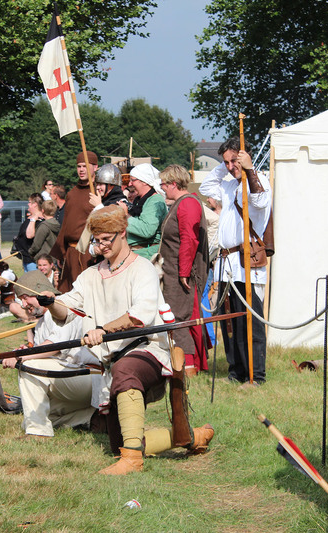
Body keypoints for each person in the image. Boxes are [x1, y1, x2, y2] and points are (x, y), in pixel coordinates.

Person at [44, 206, 214, 474]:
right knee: (119, 444)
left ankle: (133, 461)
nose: (101, 246)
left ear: (122, 233)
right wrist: (50, 302)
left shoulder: (143, 269)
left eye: (106, 239)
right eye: (97, 240)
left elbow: (139, 316)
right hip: (114, 363)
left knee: (125, 369)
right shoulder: (90, 275)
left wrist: (103, 329)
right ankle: (192, 437)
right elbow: (66, 309)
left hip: (148, 351)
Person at [199, 138, 272, 386]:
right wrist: (225, 166)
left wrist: (248, 168)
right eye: (227, 162)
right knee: (230, 321)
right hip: (227, 262)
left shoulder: (258, 181)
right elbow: (206, 186)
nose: (231, 167)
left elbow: (260, 201)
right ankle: (236, 371)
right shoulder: (229, 184)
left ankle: (256, 374)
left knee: (250, 320)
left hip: (246, 260)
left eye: (234, 161)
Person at [1, 270, 100, 438]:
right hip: (69, 377)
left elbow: (55, 347)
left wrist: (20, 357)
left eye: (25, 297)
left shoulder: (64, 308)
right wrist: (26, 351)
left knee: (29, 367)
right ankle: (91, 418)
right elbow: (46, 354)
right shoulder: (41, 323)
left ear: (39, 292)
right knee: (34, 416)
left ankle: (39, 433)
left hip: (90, 377)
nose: (23, 304)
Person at [159, 164, 209, 376]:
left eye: (164, 184)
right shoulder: (181, 203)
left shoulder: (188, 203)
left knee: (179, 317)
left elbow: (189, 239)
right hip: (174, 270)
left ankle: (188, 368)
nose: (162, 188)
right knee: (175, 316)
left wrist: (184, 272)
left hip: (181, 273)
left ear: (173, 184)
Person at [50, 152, 98, 292]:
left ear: (95, 167)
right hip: (71, 252)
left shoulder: (98, 192)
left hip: (89, 252)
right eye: (79, 166)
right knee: (68, 294)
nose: (81, 170)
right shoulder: (71, 194)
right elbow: (66, 224)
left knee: (87, 293)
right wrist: (61, 251)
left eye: (85, 166)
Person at [123, 163, 167, 259]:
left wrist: (125, 216)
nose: (130, 184)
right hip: (135, 254)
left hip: (146, 256)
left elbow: (146, 230)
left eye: (133, 180)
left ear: (144, 182)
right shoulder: (139, 201)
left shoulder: (155, 201)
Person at [13, 194, 43, 272]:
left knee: (33, 279)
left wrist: (33, 220)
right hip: (26, 259)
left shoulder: (40, 220)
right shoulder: (30, 218)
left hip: (33, 260)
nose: (28, 204)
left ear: (35, 204)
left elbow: (30, 235)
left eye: (29, 202)